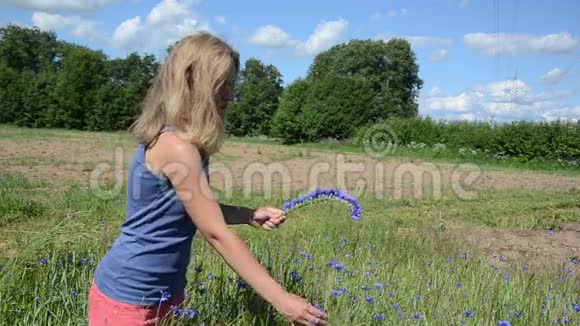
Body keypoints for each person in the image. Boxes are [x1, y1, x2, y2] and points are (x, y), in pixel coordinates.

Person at [88, 32, 328, 326]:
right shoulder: (177, 147)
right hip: (131, 298)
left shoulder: (184, 143)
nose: (229, 94)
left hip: (161, 294)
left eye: (231, 84)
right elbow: (215, 232)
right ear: (189, 82)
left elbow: (192, 210)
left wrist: (250, 215)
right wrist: (283, 300)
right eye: (220, 84)